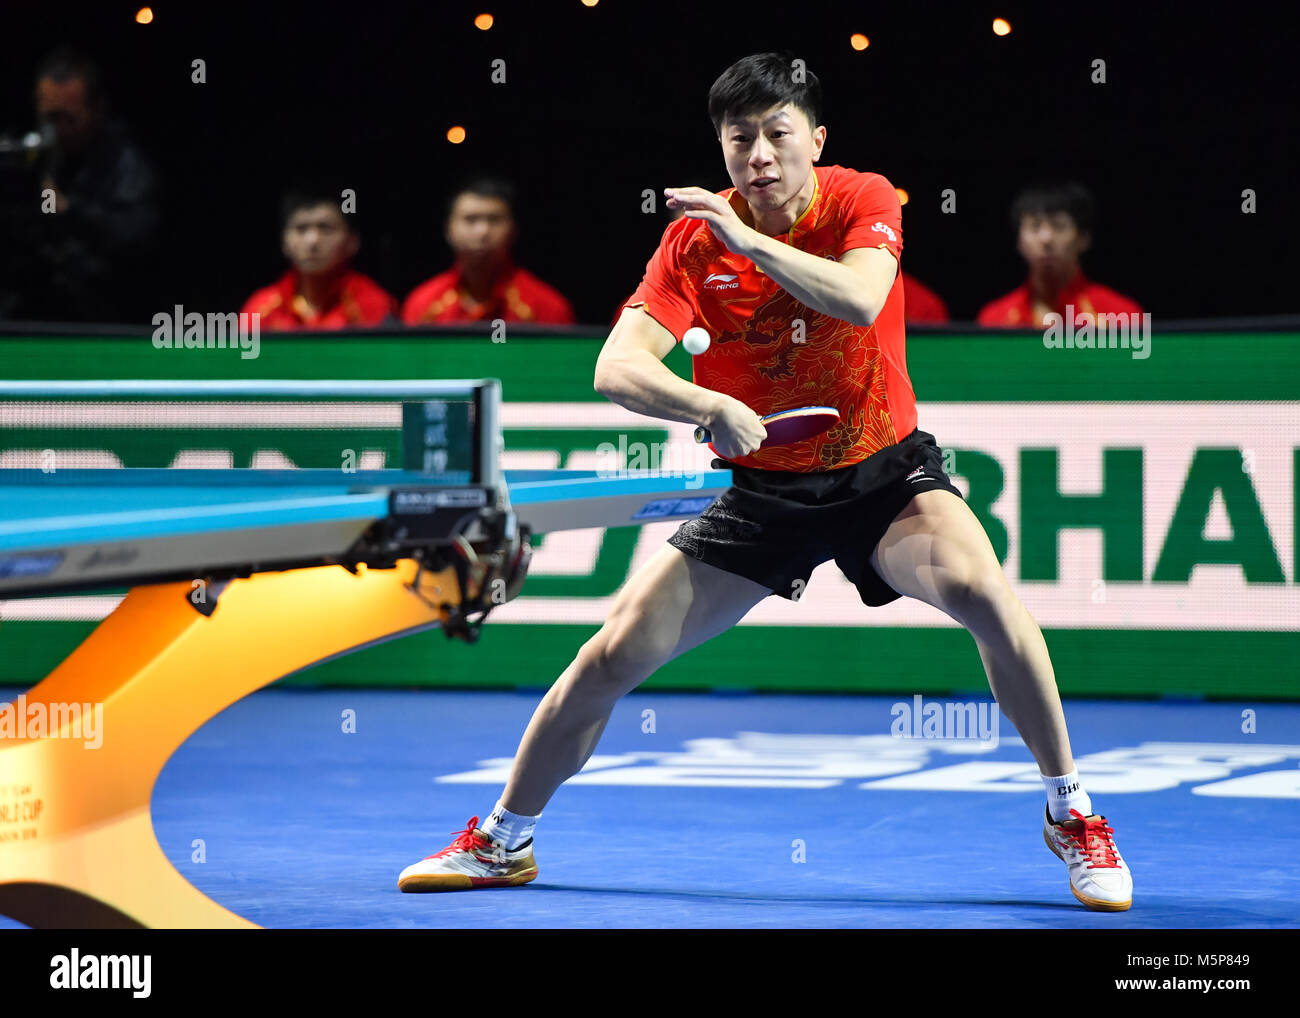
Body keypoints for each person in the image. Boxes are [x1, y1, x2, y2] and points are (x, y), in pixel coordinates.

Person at [399, 53, 1132, 912]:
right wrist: (703, 403)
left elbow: (861, 300)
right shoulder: (688, 242)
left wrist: (750, 240)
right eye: (739, 138)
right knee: (609, 657)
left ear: (814, 140)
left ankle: (1070, 812)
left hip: (881, 477)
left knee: (988, 597)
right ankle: (502, 839)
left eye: (778, 134)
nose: (759, 155)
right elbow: (615, 369)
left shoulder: (863, 198)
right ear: (722, 149)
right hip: (763, 494)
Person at [0, 47, 160, 322]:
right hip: (30, 318)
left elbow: (135, 239)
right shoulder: (32, 160)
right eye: (50, 118)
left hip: (104, 321)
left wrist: (69, 210)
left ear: (98, 109)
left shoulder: (126, 163)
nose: (59, 130)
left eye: (69, 119)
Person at [401, 178, 575, 325]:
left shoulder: (547, 307)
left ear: (513, 229)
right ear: (448, 229)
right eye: (470, 219)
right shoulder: (422, 304)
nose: (483, 231)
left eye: (494, 220)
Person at [977, 181, 1141, 327]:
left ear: (1084, 238)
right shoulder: (994, 320)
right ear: (1019, 242)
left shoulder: (1121, 316)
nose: (1046, 238)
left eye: (1059, 226)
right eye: (1035, 226)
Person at [241, 186, 396, 329]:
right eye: (301, 229)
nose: (312, 241)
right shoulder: (260, 310)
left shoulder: (374, 306)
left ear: (352, 241)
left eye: (325, 228)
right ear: (284, 242)